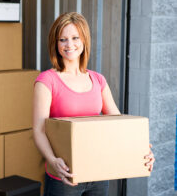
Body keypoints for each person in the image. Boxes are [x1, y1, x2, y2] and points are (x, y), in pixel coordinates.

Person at [33, 12, 155, 196]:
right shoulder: (47, 81)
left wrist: (141, 149)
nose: (69, 45)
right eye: (62, 39)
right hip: (64, 177)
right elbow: (39, 130)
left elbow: (118, 123)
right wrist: (52, 160)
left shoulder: (98, 80)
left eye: (75, 38)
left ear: (84, 40)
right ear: (55, 43)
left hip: (98, 175)